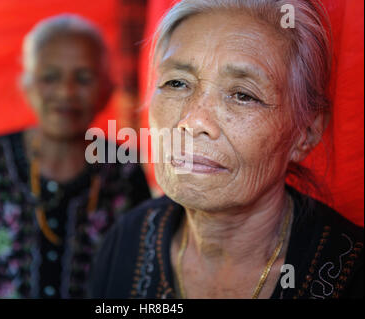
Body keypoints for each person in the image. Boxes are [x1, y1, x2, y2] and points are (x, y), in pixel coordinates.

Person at [89, 0, 363, 299]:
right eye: (177, 82)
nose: (193, 121)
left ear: (305, 133)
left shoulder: (350, 272)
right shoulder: (128, 239)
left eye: (243, 95)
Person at [0, 14, 151, 298]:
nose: (66, 92)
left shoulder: (124, 169)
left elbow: (142, 273)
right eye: (50, 77)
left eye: (84, 78)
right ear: (27, 86)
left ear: (106, 90)